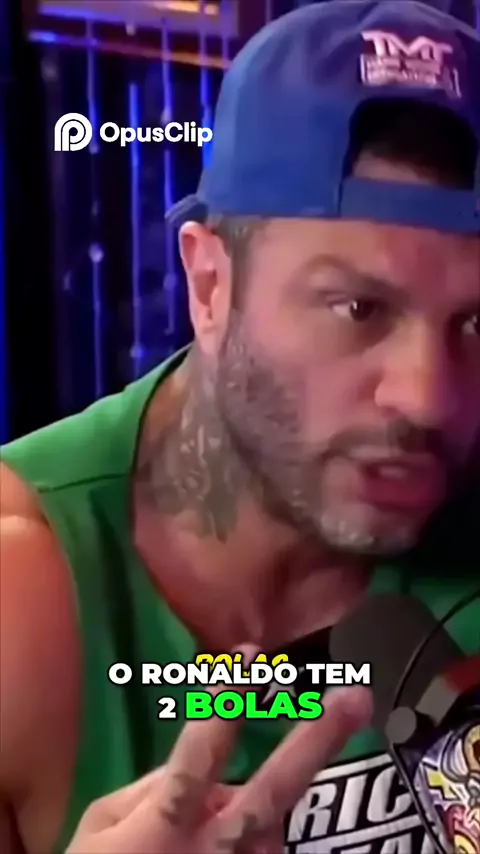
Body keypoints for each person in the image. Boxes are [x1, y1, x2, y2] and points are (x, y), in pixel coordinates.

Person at [1, 1, 479, 852]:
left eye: (477, 323)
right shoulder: (20, 591)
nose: (428, 398)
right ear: (210, 286)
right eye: (358, 308)